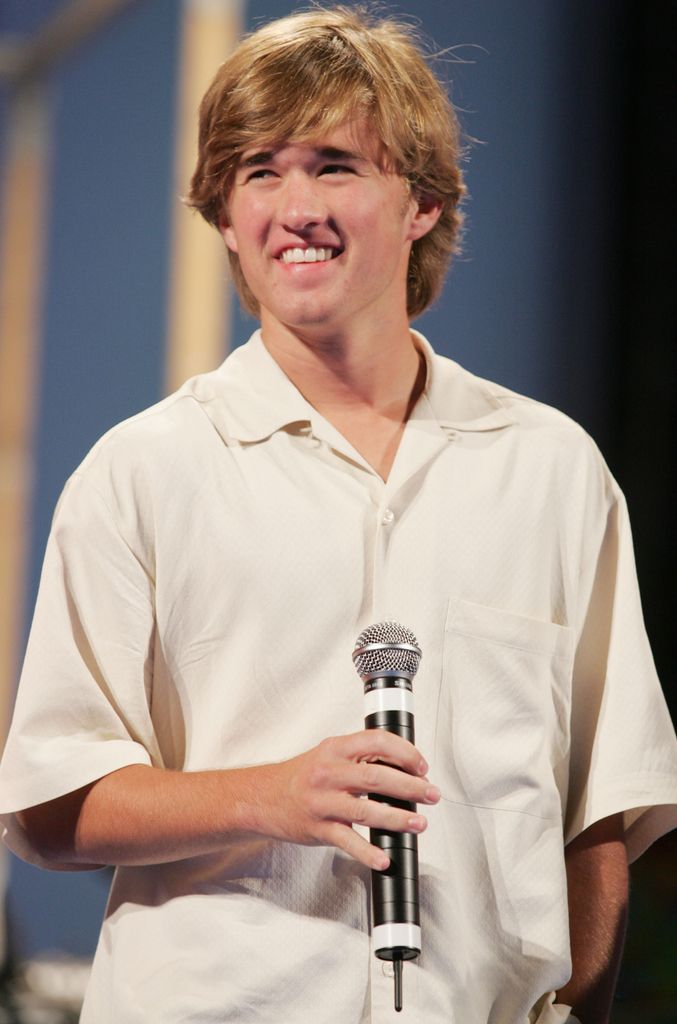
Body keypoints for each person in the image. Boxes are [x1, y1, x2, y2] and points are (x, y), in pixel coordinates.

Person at [1, 6, 676, 1023]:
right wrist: (270, 794)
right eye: (258, 172)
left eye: (333, 166)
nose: (294, 207)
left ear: (422, 203)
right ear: (224, 216)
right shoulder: (143, 472)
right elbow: (51, 805)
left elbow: (598, 811)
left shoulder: (550, 471)